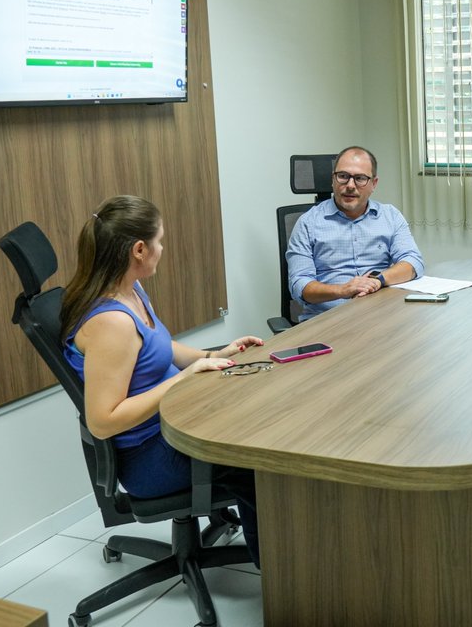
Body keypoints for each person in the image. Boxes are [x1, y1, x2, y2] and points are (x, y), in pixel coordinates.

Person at [60, 195, 264, 567]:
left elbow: (159, 348)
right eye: (160, 241)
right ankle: (278, 570)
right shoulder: (111, 323)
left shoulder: (130, 289)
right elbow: (102, 421)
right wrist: (183, 378)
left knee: (259, 414)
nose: (162, 248)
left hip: (175, 425)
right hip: (151, 456)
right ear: (139, 249)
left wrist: (211, 356)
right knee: (260, 460)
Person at [285, 146, 424, 320]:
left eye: (360, 178)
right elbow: (300, 286)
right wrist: (343, 290)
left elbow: (413, 262)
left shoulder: (390, 216)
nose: (350, 185)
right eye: (343, 176)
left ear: (374, 184)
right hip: (327, 320)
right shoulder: (307, 223)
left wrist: (377, 280)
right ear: (333, 179)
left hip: (380, 317)